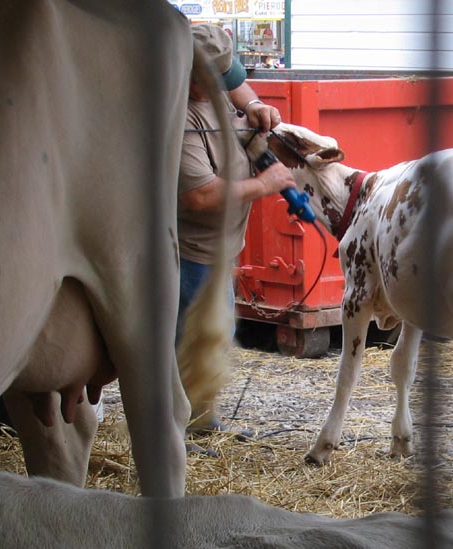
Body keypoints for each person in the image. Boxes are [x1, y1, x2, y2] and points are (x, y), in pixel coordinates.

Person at [178, 24, 296, 433]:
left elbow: (236, 84)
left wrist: (257, 106)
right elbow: (200, 195)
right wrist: (265, 184)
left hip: (219, 249)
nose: (228, 87)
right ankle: (177, 432)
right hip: (189, 254)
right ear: (195, 79)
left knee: (213, 339)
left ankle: (200, 421)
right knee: (184, 344)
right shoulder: (179, 115)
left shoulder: (215, 90)